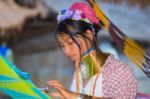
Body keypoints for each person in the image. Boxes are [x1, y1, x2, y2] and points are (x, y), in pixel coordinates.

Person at [47, 2, 137, 99]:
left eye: (70, 42)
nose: (66, 51)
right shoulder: (83, 69)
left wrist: (75, 96)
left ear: (89, 34)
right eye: (62, 45)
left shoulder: (119, 71)